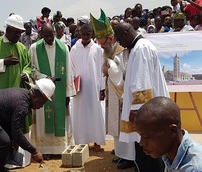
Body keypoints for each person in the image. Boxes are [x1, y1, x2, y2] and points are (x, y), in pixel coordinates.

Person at [114, 22, 170, 172]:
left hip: (144, 113)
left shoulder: (141, 48)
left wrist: (139, 112)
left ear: (126, 34)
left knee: (147, 152)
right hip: (146, 109)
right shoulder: (139, 47)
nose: (120, 44)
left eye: (119, 39)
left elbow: (141, 83)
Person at [0, 78, 55, 172]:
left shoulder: (23, 94)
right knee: (3, 141)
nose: (41, 106)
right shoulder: (22, 105)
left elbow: (9, 123)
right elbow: (17, 133)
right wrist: (34, 151)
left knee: (6, 139)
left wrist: (13, 138)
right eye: (42, 102)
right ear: (37, 96)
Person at [90, 9, 136, 169]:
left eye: (102, 43)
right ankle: (121, 153)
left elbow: (124, 74)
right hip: (113, 92)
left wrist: (109, 67)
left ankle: (129, 157)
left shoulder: (122, 50)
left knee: (124, 125)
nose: (100, 46)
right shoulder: (107, 50)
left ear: (110, 38)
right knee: (115, 126)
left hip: (123, 94)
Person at [29, 23, 76, 158]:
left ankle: (60, 148)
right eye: (47, 36)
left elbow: (69, 71)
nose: (50, 38)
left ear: (55, 33)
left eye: (52, 35)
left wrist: (67, 93)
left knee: (60, 116)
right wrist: (45, 78)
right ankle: (46, 150)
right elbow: (32, 69)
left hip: (60, 90)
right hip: (42, 90)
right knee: (45, 117)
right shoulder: (34, 48)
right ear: (41, 35)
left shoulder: (64, 48)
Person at [135, 96, 202, 171]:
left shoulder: (193, 168)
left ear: (172, 131)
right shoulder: (169, 155)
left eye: (146, 136)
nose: (141, 143)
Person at [70, 23, 106, 150]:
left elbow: (102, 70)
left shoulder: (98, 49)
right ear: (80, 34)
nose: (85, 37)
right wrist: (73, 85)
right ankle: (82, 141)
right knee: (80, 115)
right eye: (83, 34)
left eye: (88, 34)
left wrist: (102, 87)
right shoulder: (74, 49)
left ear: (92, 34)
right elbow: (71, 68)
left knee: (95, 113)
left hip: (94, 89)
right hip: (79, 89)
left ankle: (97, 141)